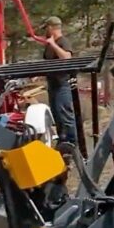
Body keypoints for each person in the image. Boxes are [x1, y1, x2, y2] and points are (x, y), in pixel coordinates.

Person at [35, 16, 79, 151]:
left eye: (46, 29)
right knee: (57, 115)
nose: (45, 32)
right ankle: (63, 141)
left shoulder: (62, 42)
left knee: (65, 114)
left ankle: (72, 143)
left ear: (51, 28)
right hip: (53, 84)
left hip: (62, 84)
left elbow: (66, 57)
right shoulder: (49, 45)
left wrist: (53, 44)